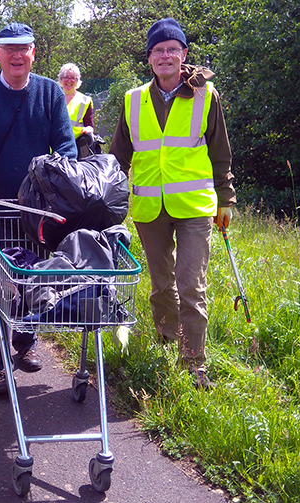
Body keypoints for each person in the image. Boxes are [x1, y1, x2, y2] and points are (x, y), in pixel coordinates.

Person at [108, 18, 236, 389]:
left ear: (183, 55)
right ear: (149, 59)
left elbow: (221, 153)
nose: (165, 56)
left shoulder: (205, 96)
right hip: (149, 209)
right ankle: (166, 344)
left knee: (191, 285)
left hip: (195, 206)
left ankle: (194, 364)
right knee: (162, 286)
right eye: (158, 50)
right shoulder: (133, 99)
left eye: (172, 49)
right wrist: (104, 197)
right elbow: (118, 156)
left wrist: (225, 198)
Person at [0, 23, 78, 395]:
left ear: (33, 53)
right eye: (9, 48)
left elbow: (66, 147)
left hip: (37, 209)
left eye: (23, 48)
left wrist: (60, 185)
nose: (16, 55)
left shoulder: (50, 92)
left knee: (31, 276)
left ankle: (25, 345)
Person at [58, 63, 95, 157]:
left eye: (73, 78)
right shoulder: (53, 97)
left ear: (77, 80)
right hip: (55, 148)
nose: (69, 81)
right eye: (66, 77)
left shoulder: (85, 101)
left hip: (76, 147)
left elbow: (90, 126)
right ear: (61, 79)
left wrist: (87, 130)